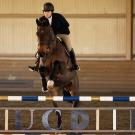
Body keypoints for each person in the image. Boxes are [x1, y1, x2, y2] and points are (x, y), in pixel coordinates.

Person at [29, 2, 79, 72]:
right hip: (48, 37)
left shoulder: (58, 17)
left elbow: (66, 25)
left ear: (51, 12)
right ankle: (37, 65)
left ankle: (74, 64)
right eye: (45, 11)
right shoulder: (41, 19)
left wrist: (56, 32)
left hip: (61, 34)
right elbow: (40, 30)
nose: (46, 13)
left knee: (69, 47)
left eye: (48, 11)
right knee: (41, 46)